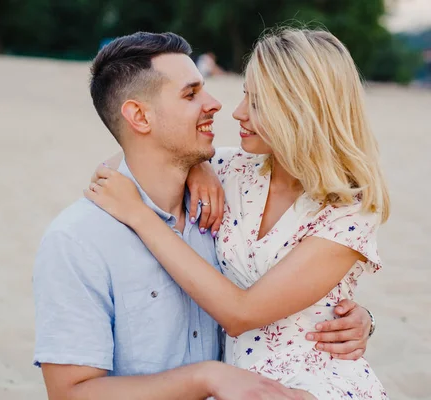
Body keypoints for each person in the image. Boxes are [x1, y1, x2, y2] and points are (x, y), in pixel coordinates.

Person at [33, 31, 373, 400]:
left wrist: (361, 320)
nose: (227, 108)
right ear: (139, 116)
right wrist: (199, 165)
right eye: (191, 94)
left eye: (257, 102)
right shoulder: (228, 175)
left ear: (300, 114)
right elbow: (124, 162)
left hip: (308, 383)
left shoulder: (338, 212)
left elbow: (244, 312)